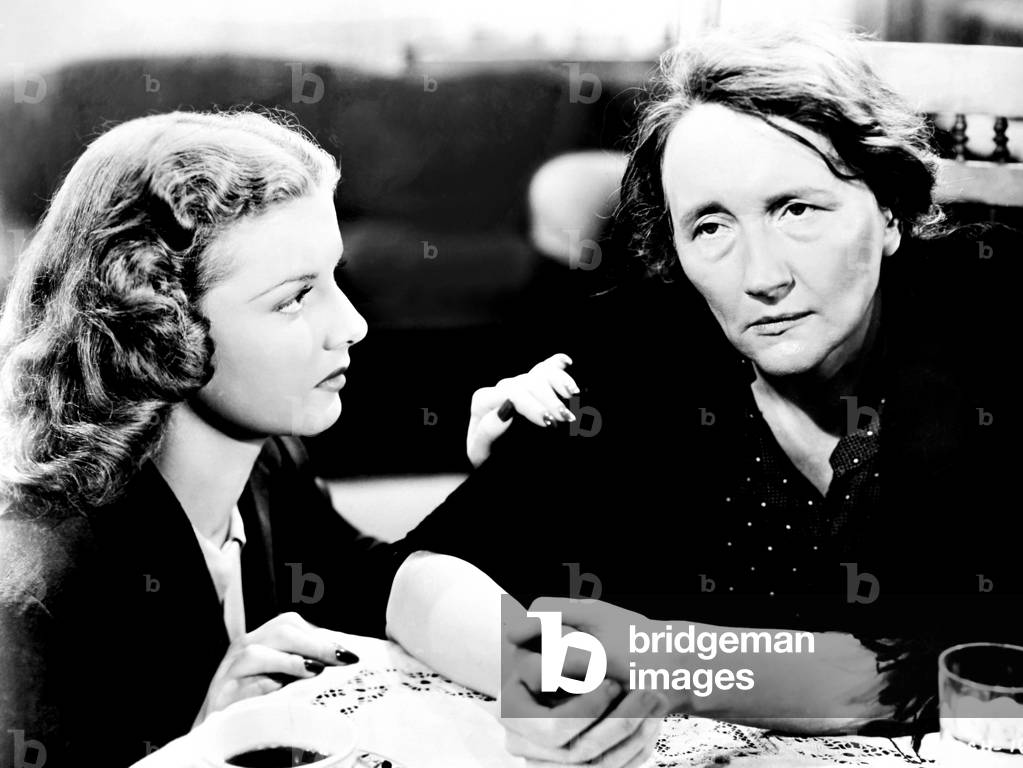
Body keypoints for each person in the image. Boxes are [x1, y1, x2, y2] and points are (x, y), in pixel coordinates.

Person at [386, 22, 1023, 750]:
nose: (761, 277)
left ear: (886, 212)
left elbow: (950, 661)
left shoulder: (990, 317)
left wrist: (671, 661)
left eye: (797, 210)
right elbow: (418, 573)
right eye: (711, 226)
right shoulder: (650, 344)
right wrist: (532, 664)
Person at [0, 110, 655, 768]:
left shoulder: (263, 464)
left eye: (334, 279)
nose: (352, 325)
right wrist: (200, 749)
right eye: (294, 298)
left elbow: (379, 578)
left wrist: (539, 666)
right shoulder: (43, 586)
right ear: (156, 327)